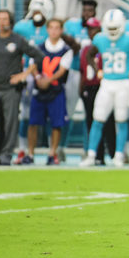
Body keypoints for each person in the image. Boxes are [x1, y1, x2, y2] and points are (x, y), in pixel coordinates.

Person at [0, 9, 44, 165]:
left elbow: (38, 56)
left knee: (10, 124)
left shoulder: (18, 40)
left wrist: (24, 75)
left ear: (10, 21)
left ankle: (4, 156)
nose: (2, 22)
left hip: (11, 90)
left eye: (5, 19)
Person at [81, 9, 129, 167]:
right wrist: (97, 71)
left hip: (124, 84)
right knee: (98, 118)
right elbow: (89, 54)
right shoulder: (100, 39)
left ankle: (119, 155)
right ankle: (91, 154)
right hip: (107, 83)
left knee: (121, 120)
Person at [26, 18, 76, 165]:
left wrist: (47, 80)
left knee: (57, 123)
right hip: (39, 90)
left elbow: (62, 70)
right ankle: (30, 153)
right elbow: (33, 65)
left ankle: (52, 153)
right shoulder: (39, 47)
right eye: (51, 27)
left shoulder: (66, 50)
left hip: (56, 90)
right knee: (33, 122)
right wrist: (38, 78)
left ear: (61, 30)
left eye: (57, 28)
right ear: (47, 29)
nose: (54, 31)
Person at [13, 0, 53, 164]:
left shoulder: (52, 28)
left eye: (41, 11)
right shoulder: (21, 27)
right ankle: (23, 149)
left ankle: (54, 150)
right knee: (25, 115)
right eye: (35, 11)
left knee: (51, 115)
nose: (37, 14)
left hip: (47, 76)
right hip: (26, 75)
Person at [60, 0, 97, 160]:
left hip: (90, 75)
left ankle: (87, 149)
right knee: (67, 111)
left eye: (90, 10)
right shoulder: (72, 26)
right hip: (74, 72)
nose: (86, 13)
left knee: (90, 113)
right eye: (84, 10)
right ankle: (61, 147)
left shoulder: (97, 28)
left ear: (95, 12)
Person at [79, 17, 116, 165]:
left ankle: (113, 154)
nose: (91, 32)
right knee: (92, 121)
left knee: (109, 123)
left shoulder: (105, 45)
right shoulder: (87, 49)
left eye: (94, 29)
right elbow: (83, 70)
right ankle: (97, 155)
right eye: (89, 29)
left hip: (104, 87)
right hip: (90, 87)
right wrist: (81, 89)